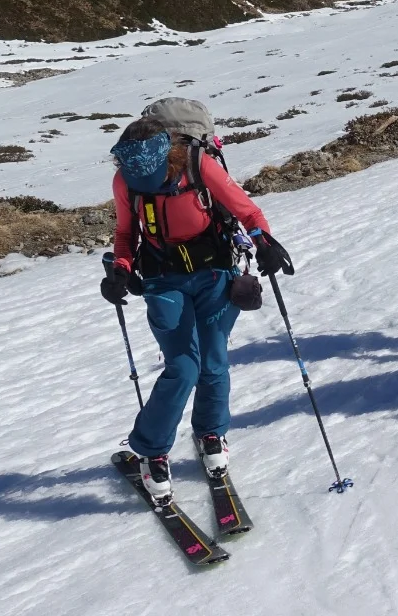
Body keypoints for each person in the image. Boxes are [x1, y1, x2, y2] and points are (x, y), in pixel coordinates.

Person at [100, 114, 291, 505]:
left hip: (214, 274)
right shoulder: (126, 182)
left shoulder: (197, 165)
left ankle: (210, 433)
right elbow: (125, 233)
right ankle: (151, 451)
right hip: (162, 278)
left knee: (214, 361)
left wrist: (265, 242)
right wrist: (120, 269)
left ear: (167, 157)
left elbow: (247, 212)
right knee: (184, 366)